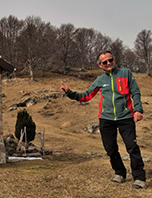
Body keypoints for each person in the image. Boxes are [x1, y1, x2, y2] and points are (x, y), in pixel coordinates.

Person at [60, 51, 146, 189]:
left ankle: (139, 178)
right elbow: (85, 96)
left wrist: (138, 110)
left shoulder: (126, 73)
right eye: (104, 62)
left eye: (110, 60)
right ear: (100, 65)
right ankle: (119, 173)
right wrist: (69, 92)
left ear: (114, 59)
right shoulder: (100, 80)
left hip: (126, 117)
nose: (108, 63)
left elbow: (135, 91)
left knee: (132, 147)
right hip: (106, 119)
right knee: (110, 149)